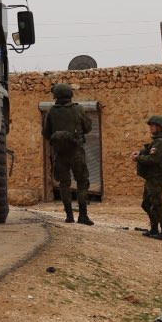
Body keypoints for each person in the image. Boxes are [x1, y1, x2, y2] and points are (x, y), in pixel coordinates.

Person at [42, 83, 93, 225]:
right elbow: (88, 128)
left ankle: (69, 216)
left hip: (60, 154)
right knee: (82, 182)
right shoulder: (78, 109)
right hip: (76, 152)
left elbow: (46, 133)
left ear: (56, 96)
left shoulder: (51, 112)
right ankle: (83, 216)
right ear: (70, 95)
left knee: (64, 184)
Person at [136, 115, 162, 241]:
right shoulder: (157, 140)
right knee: (146, 204)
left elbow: (154, 159)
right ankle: (154, 229)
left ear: (159, 127)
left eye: (152, 125)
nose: (150, 127)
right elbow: (149, 151)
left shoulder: (161, 142)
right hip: (151, 177)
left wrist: (138, 158)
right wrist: (140, 153)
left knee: (157, 205)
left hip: (156, 177)